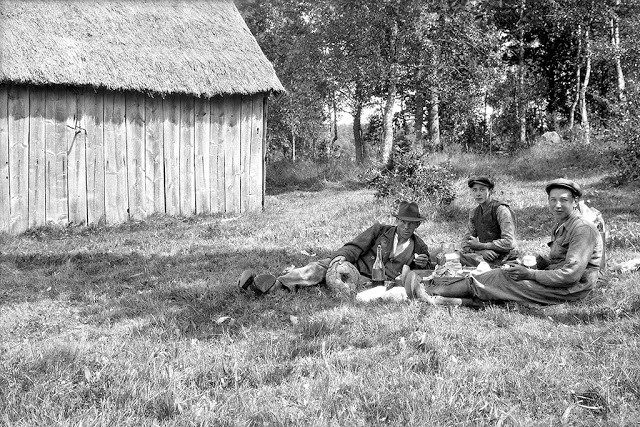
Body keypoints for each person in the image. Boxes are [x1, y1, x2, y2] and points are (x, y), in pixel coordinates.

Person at [407, 179, 602, 306]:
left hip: (572, 289)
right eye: (553, 200)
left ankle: (431, 292)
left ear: (575, 201)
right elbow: (467, 240)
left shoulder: (581, 228)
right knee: (500, 280)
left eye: (564, 200)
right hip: (556, 280)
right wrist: (540, 262)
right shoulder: (562, 225)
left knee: (502, 280)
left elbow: (570, 275)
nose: (557, 205)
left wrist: (531, 273)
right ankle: (440, 298)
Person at [238, 201, 433, 294]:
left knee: (332, 285)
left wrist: (420, 264)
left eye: (411, 224)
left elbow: (421, 276)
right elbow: (355, 245)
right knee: (318, 268)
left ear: (417, 225)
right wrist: (341, 258)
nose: (406, 227)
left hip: (371, 282)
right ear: (397, 220)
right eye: (403, 222)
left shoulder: (420, 247)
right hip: (353, 264)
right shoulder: (380, 230)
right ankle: (273, 284)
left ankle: (275, 288)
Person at [459, 176, 517, 267]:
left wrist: (482, 246)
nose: (478, 194)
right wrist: (480, 251)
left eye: (482, 190)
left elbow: (509, 242)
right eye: (474, 190)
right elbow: (465, 242)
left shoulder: (501, 210)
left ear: (490, 191)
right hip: (484, 257)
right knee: (454, 258)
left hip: (506, 257)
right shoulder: (474, 213)